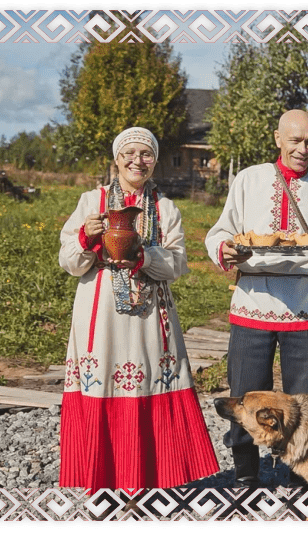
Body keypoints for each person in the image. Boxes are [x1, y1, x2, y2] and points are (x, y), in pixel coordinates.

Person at [204, 109, 308, 488]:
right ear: (278, 138)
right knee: (243, 399)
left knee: (307, 403)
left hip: (304, 309)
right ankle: (245, 480)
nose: (302, 148)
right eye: (294, 140)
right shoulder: (249, 180)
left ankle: (301, 482)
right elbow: (221, 232)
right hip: (252, 305)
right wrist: (226, 249)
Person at [58, 127, 219, 493]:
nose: (137, 161)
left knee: (145, 388)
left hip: (149, 316)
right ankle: (98, 486)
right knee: (99, 391)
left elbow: (177, 264)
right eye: (129, 153)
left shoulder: (164, 209)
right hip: (100, 316)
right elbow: (69, 261)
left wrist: (144, 256)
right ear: (116, 159)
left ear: (155, 161)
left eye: (145, 154)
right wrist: (86, 237)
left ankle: (140, 487)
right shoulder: (90, 202)